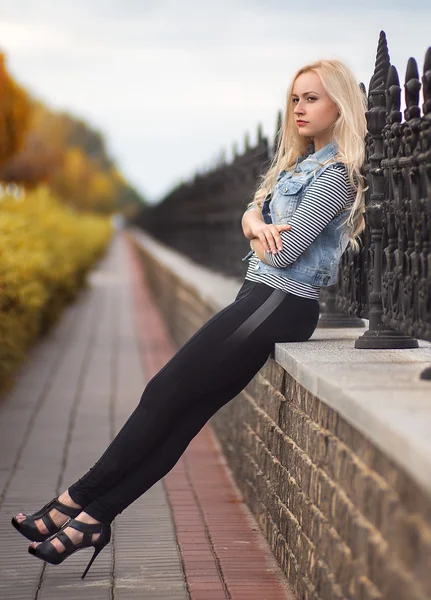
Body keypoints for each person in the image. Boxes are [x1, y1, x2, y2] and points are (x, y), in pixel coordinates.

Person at [11, 58, 367, 579]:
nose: (299, 109)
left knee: (163, 392)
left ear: (340, 105)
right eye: (295, 99)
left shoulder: (333, 174)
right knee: (184, 414)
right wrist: (252, 220)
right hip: (259, 299)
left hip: (280, 303)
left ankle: (74, 500)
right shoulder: (298, 167)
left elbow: (288, 250)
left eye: (312, 98)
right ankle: (93, 520)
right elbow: (255, 213)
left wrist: (256, 226)